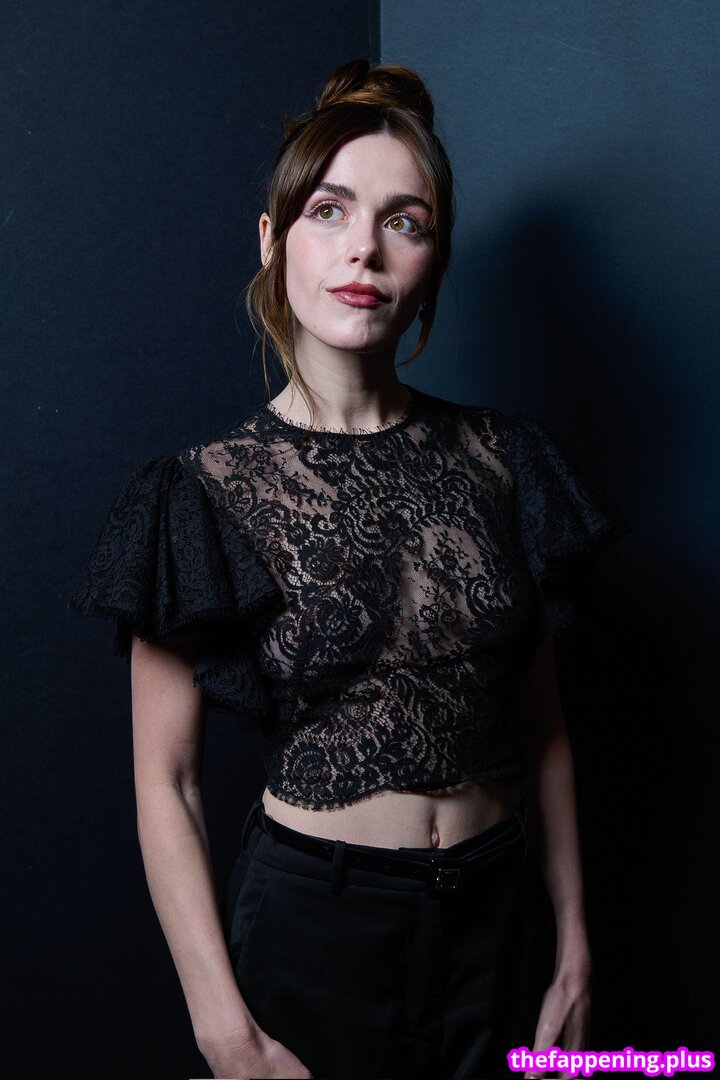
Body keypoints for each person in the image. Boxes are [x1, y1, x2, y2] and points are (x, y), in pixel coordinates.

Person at [69, 59, 631, 1080]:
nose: (364, 247)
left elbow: (544, 729)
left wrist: (576, 945)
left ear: (433, 258)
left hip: (498, 926)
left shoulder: (508, 460)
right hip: (313, 933)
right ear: (272, 239)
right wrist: (224, 1031)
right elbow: (169, 780)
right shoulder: (200, 491)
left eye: (403, 221)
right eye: (329, 211)